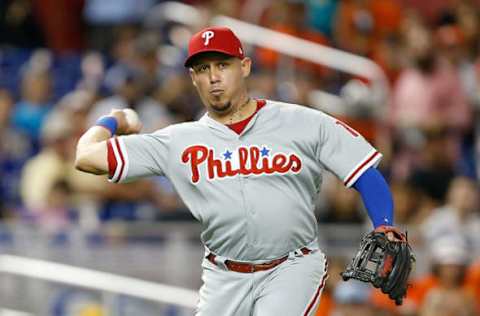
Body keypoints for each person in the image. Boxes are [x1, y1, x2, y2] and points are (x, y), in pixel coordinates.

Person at [75, 26, 401, 316]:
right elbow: (86, 156)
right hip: (223, 275)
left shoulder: (302, 121)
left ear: (244, 67)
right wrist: (114, 119)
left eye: (223, 65)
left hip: (291, 267)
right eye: (203, 68)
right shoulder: (177, 141)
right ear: (193, 78)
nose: (213, 76)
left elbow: (364, 173)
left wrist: (384, 224)